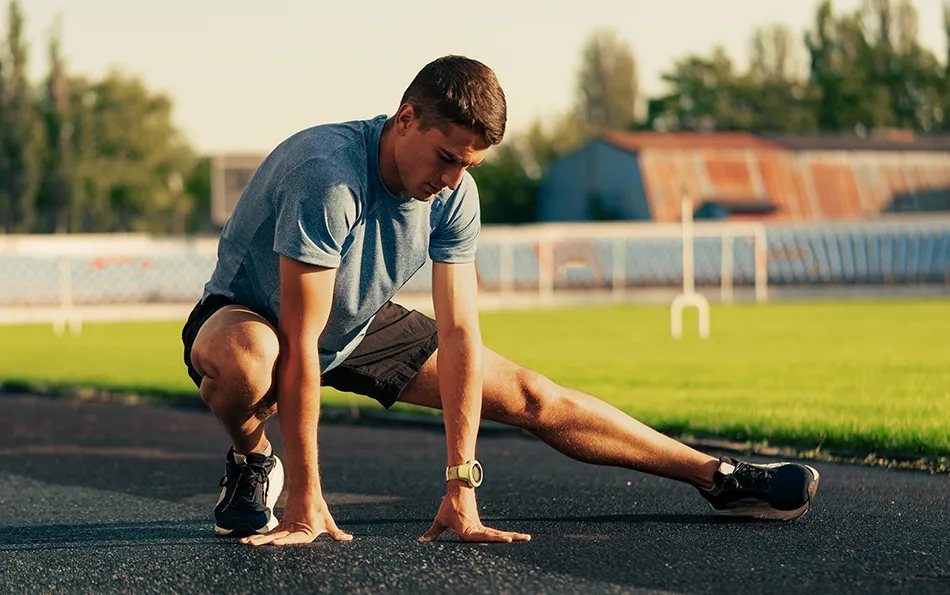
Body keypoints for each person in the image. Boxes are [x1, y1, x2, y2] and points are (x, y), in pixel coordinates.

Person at [181, 55, 820, 547]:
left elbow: (460, 336)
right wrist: (307, 499)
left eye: (469, 166)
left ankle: (721, 478)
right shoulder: (329, 177)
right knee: (250, 363)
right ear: (406, 118)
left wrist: (462, 485)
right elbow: (301, 339)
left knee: (534, 397)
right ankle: (254, 462)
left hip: (357, 321)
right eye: (445, 157)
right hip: (255, 318)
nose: (451, 180)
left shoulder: (455, 193)